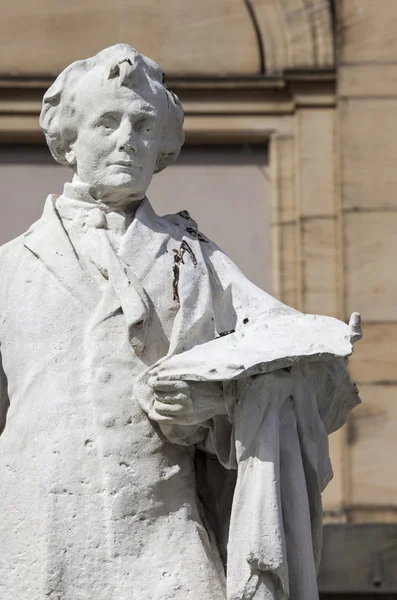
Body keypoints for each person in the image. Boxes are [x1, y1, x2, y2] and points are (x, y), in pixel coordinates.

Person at [0, 44, 360, 600]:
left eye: (144, 125)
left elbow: (310, 369)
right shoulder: (9, 268)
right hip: (37, 538)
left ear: (163, 146)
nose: (127, 140)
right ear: (69, 140)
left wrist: (220, 404)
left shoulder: (198, 260)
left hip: (166, 539)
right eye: (107, 122)